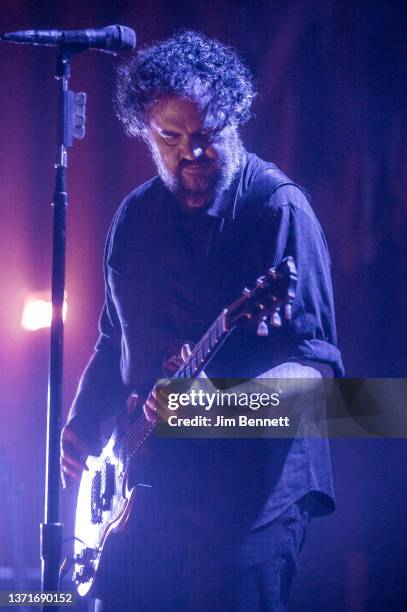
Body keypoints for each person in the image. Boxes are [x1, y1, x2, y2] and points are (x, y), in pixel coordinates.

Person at [61, 30, 344, 612]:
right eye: (170, 136)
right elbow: (115, 336)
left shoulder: (277, 209)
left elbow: (319, 376)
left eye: (206, 134)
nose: (190, 151)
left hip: (252, 502)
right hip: (146, 491)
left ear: (233, 120)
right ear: (144, 129)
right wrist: (83, 425)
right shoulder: (135, 217)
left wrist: (217, 405)